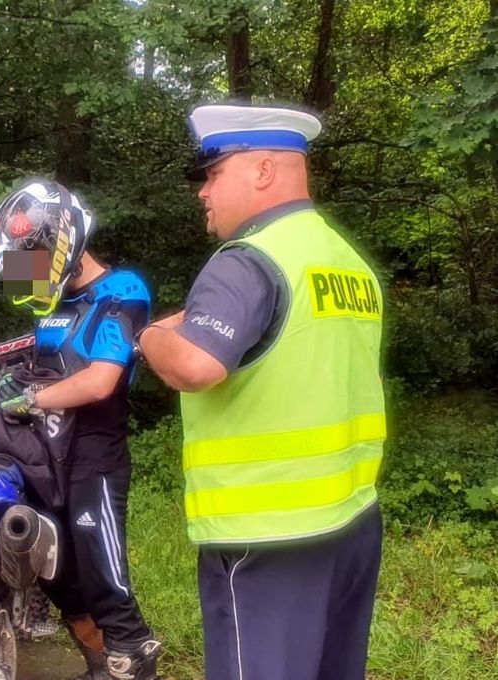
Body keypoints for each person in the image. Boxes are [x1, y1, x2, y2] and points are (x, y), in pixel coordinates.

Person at [135, 104, 387, 680]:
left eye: (214, 173)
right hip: (348, 522)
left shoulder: (249, 259)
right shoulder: (347, 264)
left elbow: (196, 364)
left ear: (264, 170)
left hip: (267, 537)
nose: (203, 191)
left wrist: (148, 335)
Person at [0, 181, 162, 680]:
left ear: (61, 247)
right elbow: (43, 352)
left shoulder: (122, 291)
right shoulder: (49, 303)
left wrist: (30, 398)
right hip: (42, 452)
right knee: (52, 568)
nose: (24, 272)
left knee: (104, 578)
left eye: (28, 258)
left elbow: (100, 380)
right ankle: (100, 662)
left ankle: (132, 660)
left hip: (94, 455)